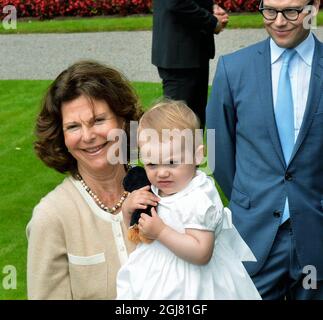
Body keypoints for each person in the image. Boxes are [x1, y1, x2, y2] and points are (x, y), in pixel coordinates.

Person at [206, 0, 323, 299]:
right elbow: (219, 151)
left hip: (317, 234)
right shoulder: (233, 69)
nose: (279, 22)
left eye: (292, 12)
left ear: (315, 7)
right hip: (253, 236)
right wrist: (250, 199)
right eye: (269, 10)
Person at [116, 100, 261, 299]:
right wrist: (129, 210)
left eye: (172, 162)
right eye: (151, 164)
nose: (162, 173)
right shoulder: (156, 188)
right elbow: (139, 235)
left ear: (198, 155)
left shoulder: (199, 198)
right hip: (155, 275)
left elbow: (202, 253)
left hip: (193, 284)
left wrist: (161, 231)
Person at [26, 60, 142, 299]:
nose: (88, 136)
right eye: (73, 127)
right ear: (61, 136)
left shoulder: (162, 189)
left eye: (98, 120)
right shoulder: (51, 217)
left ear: (123, 120)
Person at [151, 0, 229, 128]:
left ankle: (194, 148)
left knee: (194, 122)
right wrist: (212, 22)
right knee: (179, 125)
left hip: (190, 52)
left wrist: (210, 6)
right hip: (181, 55)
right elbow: (176, 3)